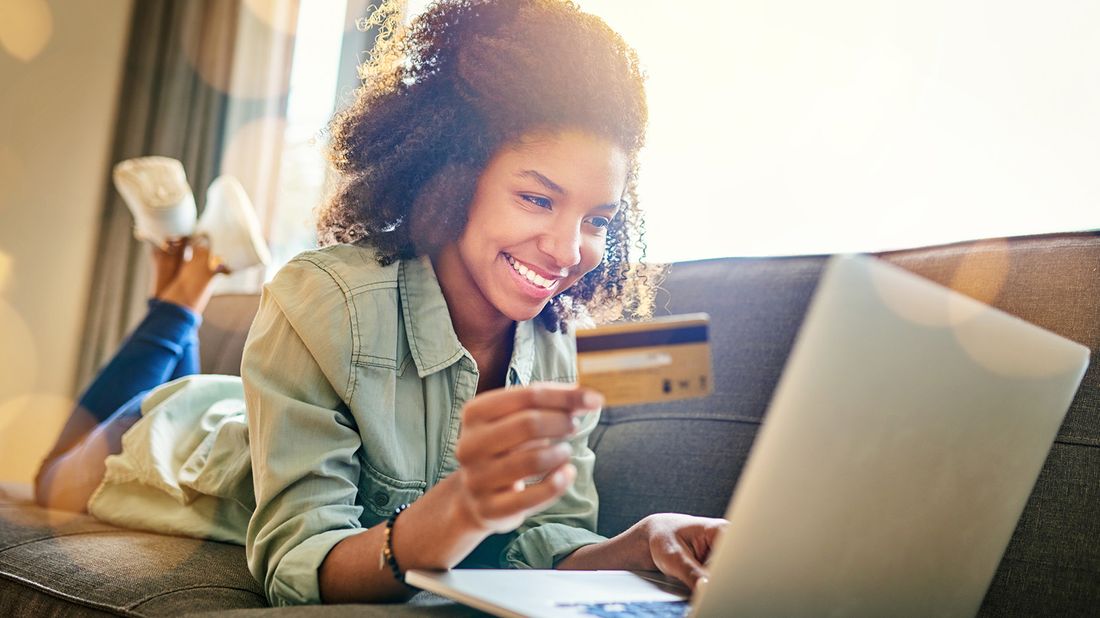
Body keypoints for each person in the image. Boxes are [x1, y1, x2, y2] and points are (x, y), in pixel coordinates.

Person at [36, 0, 726, 607]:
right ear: (454, 176)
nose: (566, 248)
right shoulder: (324, 297)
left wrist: (636, 544)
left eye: (598, 219)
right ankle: (182, 288)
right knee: (50, 477)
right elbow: (296, 564)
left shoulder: (557, 350)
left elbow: (540, 538)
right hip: (173, 443)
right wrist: (460, 508)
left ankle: (191, 260)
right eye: (537, 198)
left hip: (252, 411)